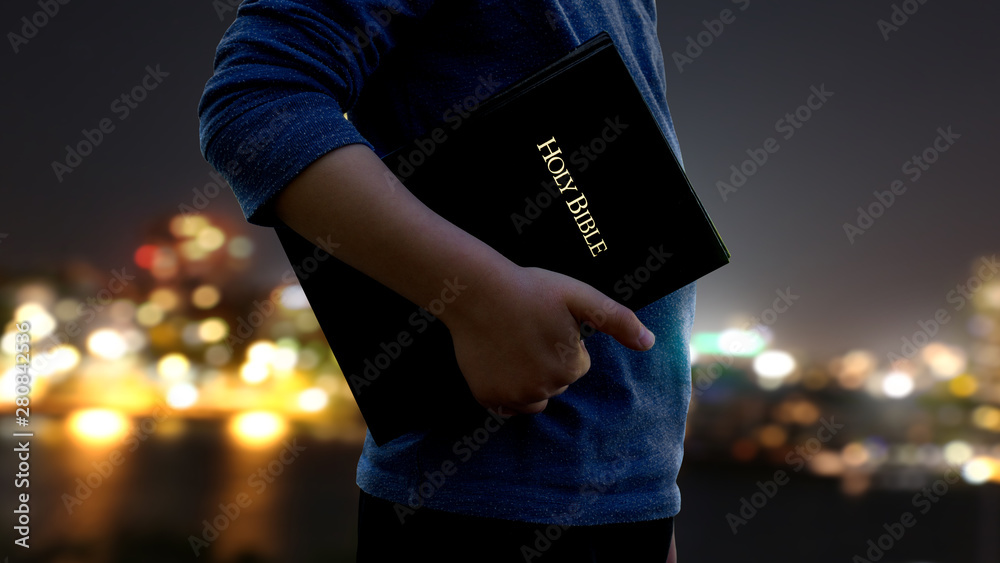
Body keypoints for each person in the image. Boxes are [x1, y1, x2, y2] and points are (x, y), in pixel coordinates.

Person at [199, 1, 693, 560]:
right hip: (475, 508)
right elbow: (255, 101)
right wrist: (479, 299)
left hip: (634, 500)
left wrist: (652, 501)